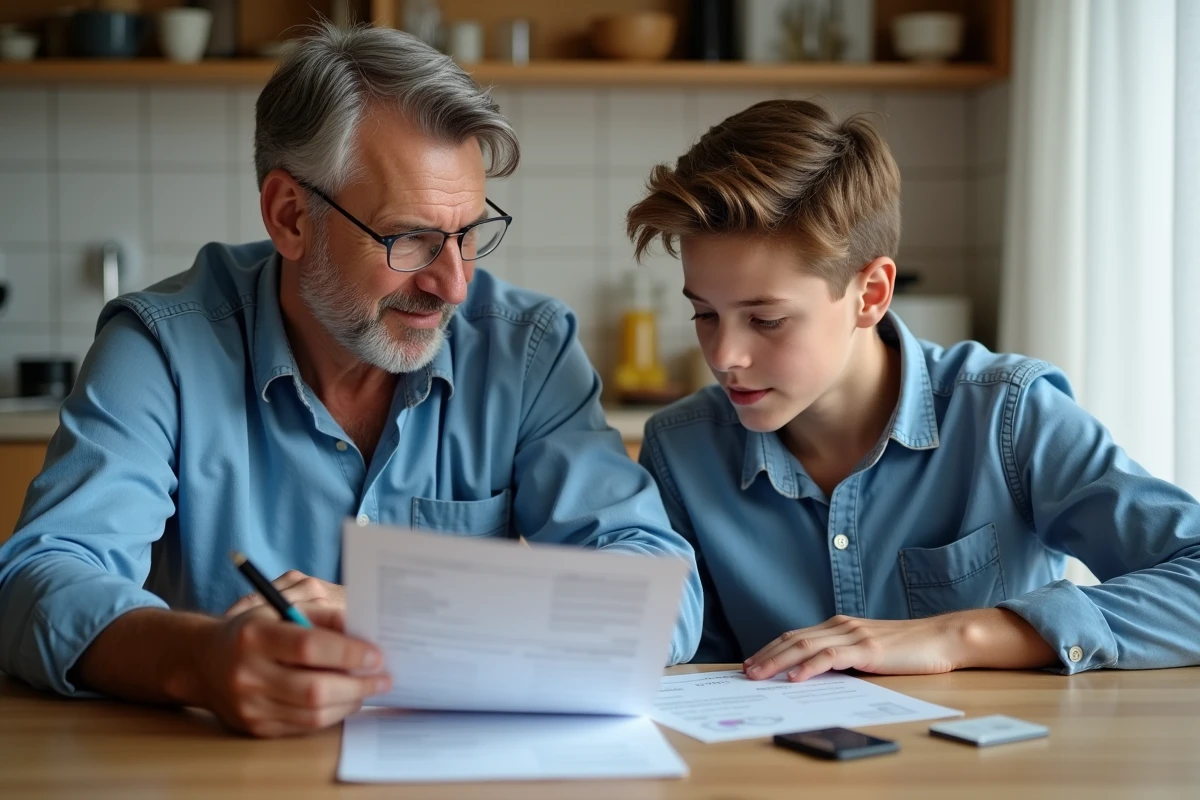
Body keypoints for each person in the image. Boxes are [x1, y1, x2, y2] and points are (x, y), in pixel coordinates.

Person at [0, 24, 701, 738]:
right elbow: (38, 580)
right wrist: (200, 661)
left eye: (467, 234)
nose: (454, 286)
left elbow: (658, 594)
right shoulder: (162, 347)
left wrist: (401, 618)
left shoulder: (528, 350)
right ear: (289, 216)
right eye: (412, 239)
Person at [626, 98, 1200, 681]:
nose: (724, 356)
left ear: (871, 293)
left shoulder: (1009, 414)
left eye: (767, 320)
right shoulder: (680, 451)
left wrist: (959, 633)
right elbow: (698, 678)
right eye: (704, 314)